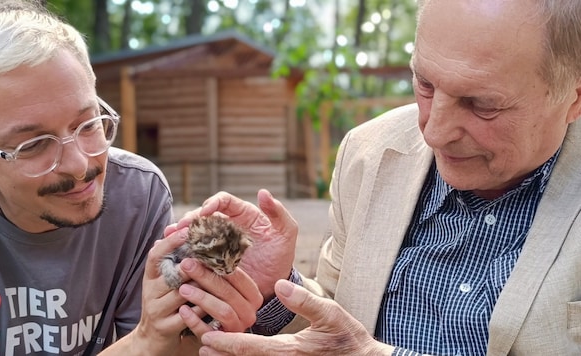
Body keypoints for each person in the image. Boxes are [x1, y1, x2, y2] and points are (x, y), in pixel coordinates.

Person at [169, 0, 581, 355]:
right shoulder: (368, 153)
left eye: (481, 104)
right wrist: (277, 290)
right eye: (424, 84)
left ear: (573, 97)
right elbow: (338, 321)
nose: (433, 132)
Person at [0, 0, 262, 355]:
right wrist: (146, 339)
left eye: (88, 123)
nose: (80, 165)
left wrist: (209, 323)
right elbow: (146, 342)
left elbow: (169, 346)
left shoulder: (136, 194)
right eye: (34, 144)